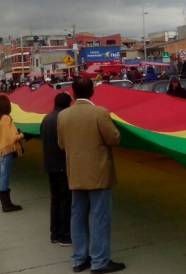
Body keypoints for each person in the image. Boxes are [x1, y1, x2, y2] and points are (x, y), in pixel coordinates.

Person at [57, 78, 125, 274]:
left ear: (74, 92)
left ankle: (79, 259)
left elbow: (62, 144)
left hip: (75, 172)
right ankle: (100, 260)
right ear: (92, 92)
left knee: (77, 216)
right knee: (99, 217)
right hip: (98, 172)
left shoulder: (64, 116)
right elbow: (114, 138)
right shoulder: (100, 113)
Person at [42, 92, 74, 246]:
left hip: (50, 165)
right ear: (67, 104)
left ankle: (54, 233)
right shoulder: (62, 119)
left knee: (55, 200)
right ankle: (65, 235)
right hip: (62, 165)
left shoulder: (46, 118)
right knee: (65, 201)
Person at [0, 95, 25, 212]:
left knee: (1, 178)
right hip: (5, 151)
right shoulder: (6, 118)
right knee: (5, 179)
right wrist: (22, 135)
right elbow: (11, 137)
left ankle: (5, 204)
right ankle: (6, 205)